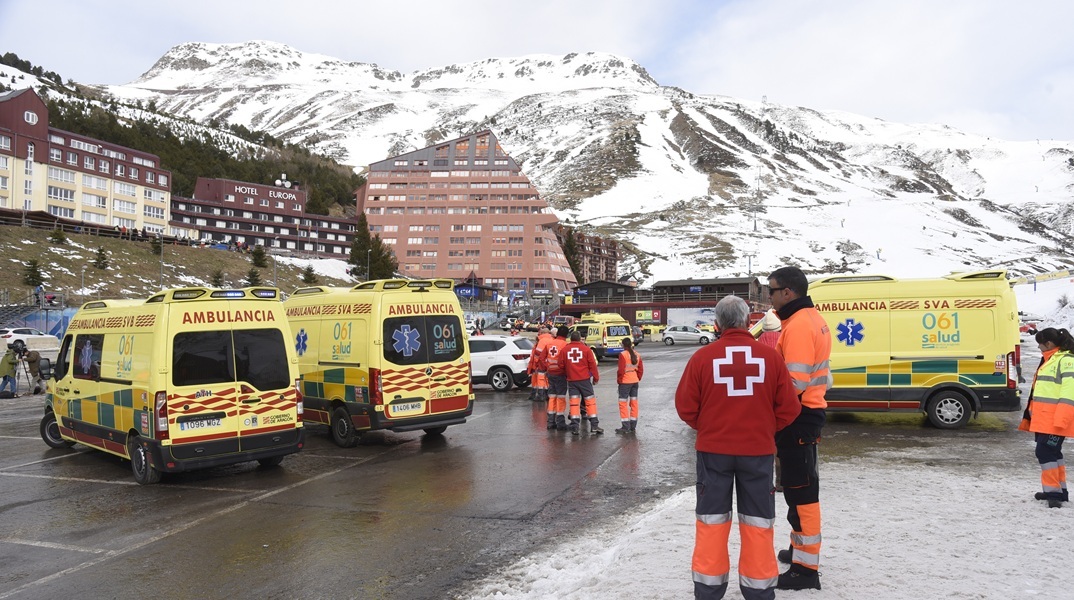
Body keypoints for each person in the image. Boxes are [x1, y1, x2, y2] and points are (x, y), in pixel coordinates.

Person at [676, 295, 801, 600]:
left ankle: (708, 590)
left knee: (711, 522)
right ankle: (758, 591)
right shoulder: (770, 358)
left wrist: (709, 428)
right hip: (757, 454)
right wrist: (764, 429)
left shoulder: (702, 359)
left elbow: (685, 407)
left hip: (713, 453)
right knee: (758, 523)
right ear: (748, 322)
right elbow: (790, 409)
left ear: (717, 324)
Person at [767, 266, 832, 591]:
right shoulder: (808, 319)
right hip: (806, 415)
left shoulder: (799, 326)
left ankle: (805, 570)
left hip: (798, 418)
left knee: (801, 493)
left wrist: (767, 407)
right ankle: (798, 551)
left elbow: (793, 383)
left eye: (772, 291)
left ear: (787, 292)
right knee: (798, 490)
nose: (770, 298)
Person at [1019, 327, 1074, 508]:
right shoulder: (1051, 359)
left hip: (1056, 421)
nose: (1039, 348)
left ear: (1049, 344)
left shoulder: (1065, 361)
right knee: (1053, 453)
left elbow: (1069, 393)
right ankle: (1060, 491)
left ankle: (1054, 494)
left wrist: (1062, 420)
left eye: (1040, 345)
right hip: (1046, 420)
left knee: (1044, 452)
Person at [563, 331, 603, 435]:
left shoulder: (565, 350)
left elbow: (560, 365)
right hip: (584, 380)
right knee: (590, 402)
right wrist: (596, 378)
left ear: (571, 339)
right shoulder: (586, 349)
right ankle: (594, 425)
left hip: (572, 381)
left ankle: (575, 427)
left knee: (574, 403)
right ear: (580, 338)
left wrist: (567, 374)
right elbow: (592, 365)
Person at [543, 328, 570, 430]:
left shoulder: (550, 343)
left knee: (552, 397)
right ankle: (560, 422)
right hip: (560, 374)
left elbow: (541, 358)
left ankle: (550, 422)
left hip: (550, 373)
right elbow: (567, 361)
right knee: (561, 398)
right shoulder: (565, 345)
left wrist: (547, 367)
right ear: (566, 335)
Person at [615, 337, 644, 434]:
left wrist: (619, 381)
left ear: (623, 345)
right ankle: (633, 425)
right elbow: (640, 369)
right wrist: (637, 378)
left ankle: (625, 426)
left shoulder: (623, 355)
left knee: (623, 403)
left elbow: (621, 370)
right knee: (634, 403)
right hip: (634, 381)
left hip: (625, 382)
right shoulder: (637, 354)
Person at [528, 326, 553, 402]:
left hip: (541, 363)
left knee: (540, 379)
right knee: (547, 380)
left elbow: (537, 354)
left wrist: (535, 364)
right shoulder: (552, 339)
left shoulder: (542, 341)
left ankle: (540, 395)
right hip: (550, 363)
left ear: (542, 333)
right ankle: (547, 395)